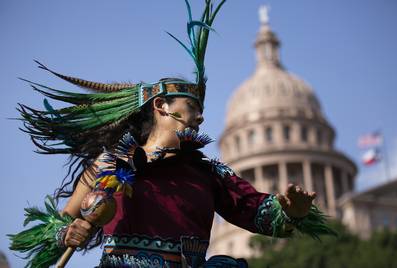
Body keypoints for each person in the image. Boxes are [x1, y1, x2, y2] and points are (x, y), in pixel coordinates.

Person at [9, 1, 335, 267]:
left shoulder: (208, 173)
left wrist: (291, 211)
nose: (201, 117)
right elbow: (54, 225)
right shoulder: (107, 165)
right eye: (193, 108)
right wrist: (66, 233)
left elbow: (257, 213)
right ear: (162, 106)